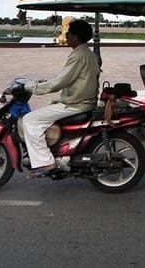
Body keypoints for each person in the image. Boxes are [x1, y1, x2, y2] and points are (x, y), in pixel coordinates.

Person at [22, 19, 100, 179]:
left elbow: (60, 82)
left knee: (30, 120)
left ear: (76, 36)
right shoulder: (87, 53)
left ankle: (46, 162)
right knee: (47, 110)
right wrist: (42, 83)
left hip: (76, 104)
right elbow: (65, 77)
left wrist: (32, 88)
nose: (66, 37)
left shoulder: (79, 55)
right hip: (82, 101)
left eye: (68, 34)